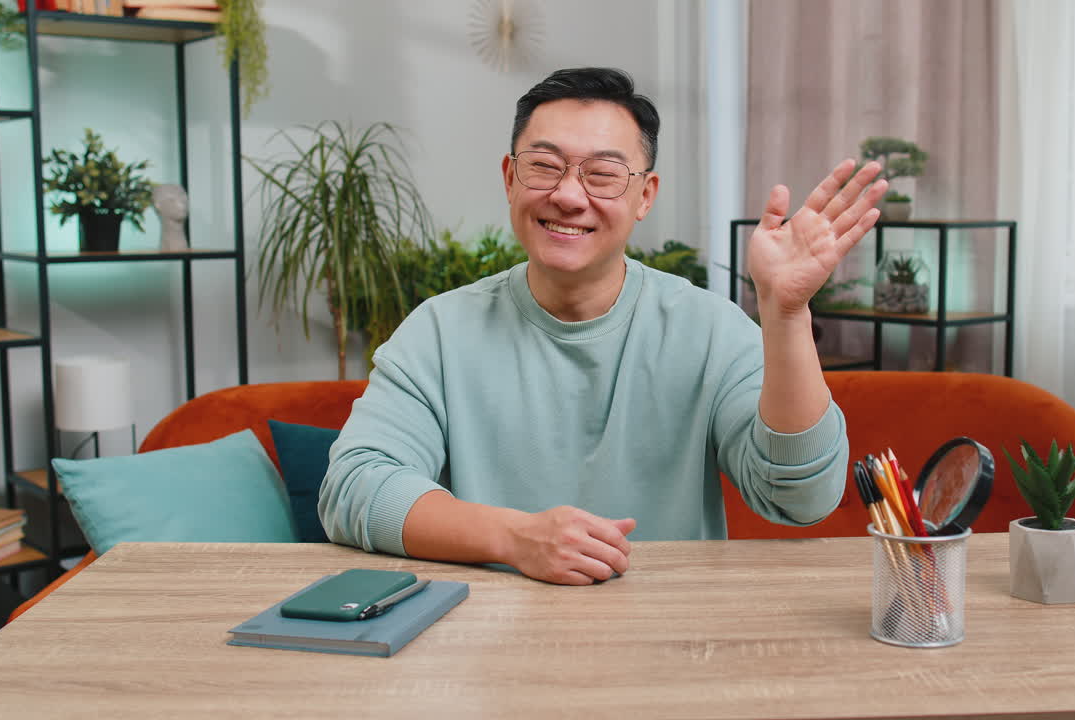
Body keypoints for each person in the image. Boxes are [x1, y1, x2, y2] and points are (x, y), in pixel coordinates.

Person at [320, 67, 886, 585]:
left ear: (645, 196)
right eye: (544, 166)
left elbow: (802, 498)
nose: (568, 196)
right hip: (483, 642)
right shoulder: (440, 332)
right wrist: (513, 538)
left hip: (672, 644)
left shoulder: (709, 330)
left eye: (603, 174)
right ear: (510, 178)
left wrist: (785, 316)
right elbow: (355, 487)